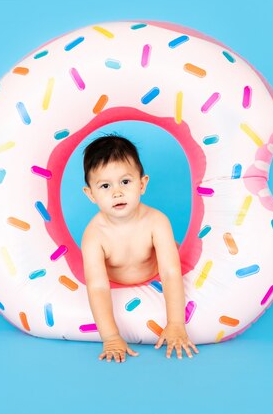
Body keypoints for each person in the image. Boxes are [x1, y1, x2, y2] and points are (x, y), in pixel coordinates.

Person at [81, 133, 199, 362]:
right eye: (105, 185)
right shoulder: (94, 235)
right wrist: (111, 337)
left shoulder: (157, 221)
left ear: (142, 184)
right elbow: (97, 286)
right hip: (118, 283)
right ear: (91, 194)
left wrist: (176, 323)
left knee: (172, 253)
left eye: (125, 182)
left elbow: (170, 272)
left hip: (155, 272)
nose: (117, 192)